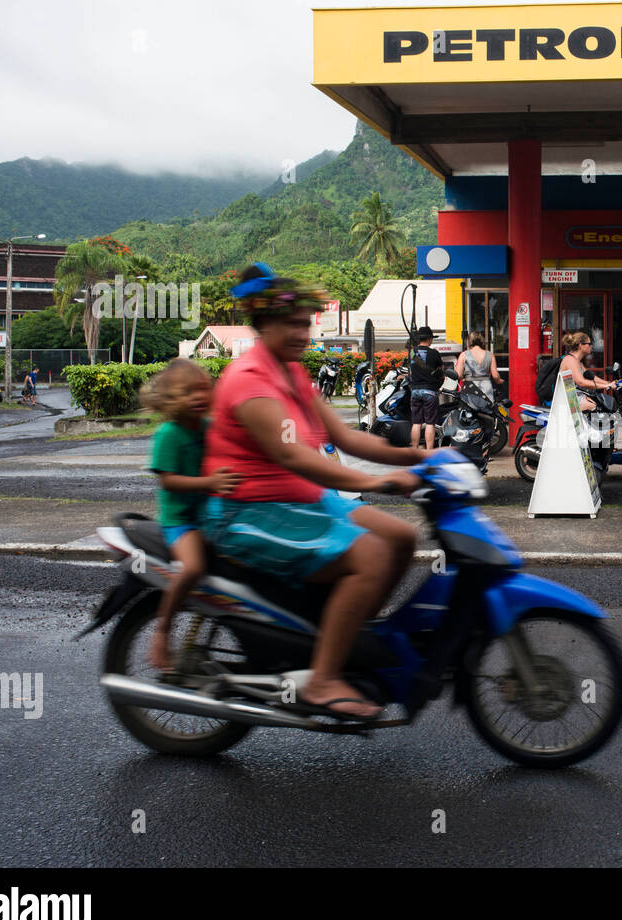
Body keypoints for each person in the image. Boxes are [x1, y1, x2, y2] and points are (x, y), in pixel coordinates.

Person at [201, 263, 427, 719]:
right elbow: (293, 456)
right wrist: (374, 482)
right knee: (372, 556)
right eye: (294, 324)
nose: (304, 333)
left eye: (307, 323)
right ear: (264, 324)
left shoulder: (293, 375)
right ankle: (323, 679)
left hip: (301, 501)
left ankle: (345, 636)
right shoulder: (250, 378)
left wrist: (417, 457)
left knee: (401, 538)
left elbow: (344, 439)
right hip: (249, 512)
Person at [140, 360, 242, 671]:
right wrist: (211, 483)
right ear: (171, 399)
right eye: (188, 392)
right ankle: (163, 629)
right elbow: (168, 480)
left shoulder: (209, 426)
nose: (199, 396)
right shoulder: (169, 434)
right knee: (193, 567)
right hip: (181, 520)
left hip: (208, 514)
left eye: (203, 389)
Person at [559, 331, 617, 411]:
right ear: (580, 345)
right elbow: (581, 382)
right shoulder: (570, 360)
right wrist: (606, 386)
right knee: (593, 407)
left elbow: (591, 377)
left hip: (574, 397)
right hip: (568, 400)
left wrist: (608, 383)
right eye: (589, 344)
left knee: (598, 405)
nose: (591, 346)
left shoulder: (578, 361)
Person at [409, 326, 443, 450]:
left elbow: (411, 373)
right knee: (430, 423)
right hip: (430, 391)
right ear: (429, 339)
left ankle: (414, 449)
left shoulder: (412, 353)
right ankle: (429, 451)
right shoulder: (434, 353)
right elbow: (441, 371)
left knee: (416, 423)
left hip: (415, 391)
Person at [454, 332, 502, 399]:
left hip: (470, 388)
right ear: (481, 341)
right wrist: (499, 381)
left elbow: (458, 374)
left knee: (469, 408)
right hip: (486, 389)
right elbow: (495, 376)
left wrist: (463, 377)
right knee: (487, 408)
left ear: (469, 341)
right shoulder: (490, 355)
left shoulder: (464, 355)